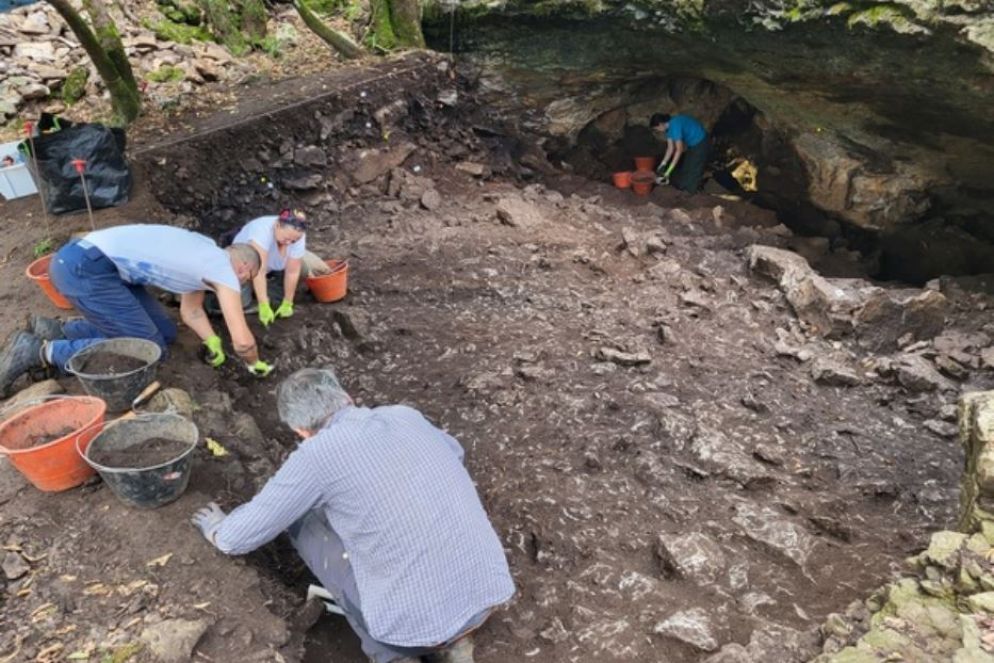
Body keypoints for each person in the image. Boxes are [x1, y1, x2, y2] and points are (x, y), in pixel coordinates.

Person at [191, 367, 515, 663]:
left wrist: (217, 528)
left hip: (410, 631)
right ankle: (456, 646)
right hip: (488, 592)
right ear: (346, 397)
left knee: (299, 521)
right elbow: (455, 453)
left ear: (300, 430)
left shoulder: (316, 456)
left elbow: (238, 538)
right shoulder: (404, 415)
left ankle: (391, 655)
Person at [0, 224, 274, 396]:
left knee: (165, 332)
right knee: (149, 349)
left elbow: (191, 312)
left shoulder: (207, 253)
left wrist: (211, 341)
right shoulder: (223, 269)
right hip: (84, 270)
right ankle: (42, 352)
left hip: (92, 263)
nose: (241, 285)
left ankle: (60, 330)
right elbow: (243, 342)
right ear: (244, 269)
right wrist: (254, 364)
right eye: (246, 281)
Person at [231, 209, 331, 327]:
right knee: (241, 302)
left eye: (293, 241)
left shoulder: (298, 235)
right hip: (247, 269)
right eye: (286, 239)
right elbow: (259, 271)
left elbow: (292, 271)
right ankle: (256, 295)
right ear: (277, 225)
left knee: (302, 269)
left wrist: (288, 302)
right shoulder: (260, 232)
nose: (289, 243)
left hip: (273, 267)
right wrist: (263, 305)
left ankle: (267, 293)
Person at [649, 112, 710, 193]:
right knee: (686, 168)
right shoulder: (668, 129)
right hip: (692, 144)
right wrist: (663, 164)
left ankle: (691, 192)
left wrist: (668, 171)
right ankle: (684, 186)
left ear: (660, 124)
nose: (658, 131)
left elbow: (679, 150)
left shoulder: (675, 126)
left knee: (694, 170)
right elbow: (670, 148)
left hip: (701, 142)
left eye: (657, 129)